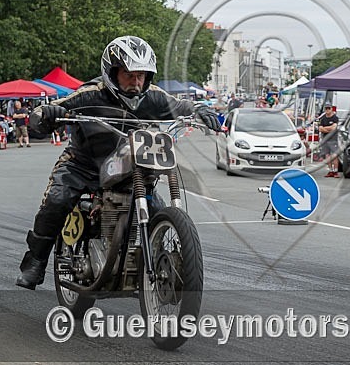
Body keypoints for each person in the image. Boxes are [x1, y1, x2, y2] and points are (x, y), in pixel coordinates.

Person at [16, 35, 221, 289]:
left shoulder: (153, 96)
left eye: (142, 76)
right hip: (83, 164)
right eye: (129, 75)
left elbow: (181, 106)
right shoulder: (90, 95)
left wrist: (200, 109)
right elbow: (48, 110)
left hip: (128, 167)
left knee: (157, 208)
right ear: (112, 74)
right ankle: (35, 262)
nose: (136, 83)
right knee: (57, 200)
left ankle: (154, 263)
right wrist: (46, 114)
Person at [319, 103, 340, 177]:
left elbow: (334, 127)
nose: (327, 110)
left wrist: (325, 129)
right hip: (325, 139)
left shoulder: (335, 118)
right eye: (326, 108)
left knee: (334, 155)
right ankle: (330, 170)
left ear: (331, 109)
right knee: (327, 155)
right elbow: (320, 129)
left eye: (329, 108)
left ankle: (336, 171)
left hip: (333, 139)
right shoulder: (323, 119)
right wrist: (329, 129)